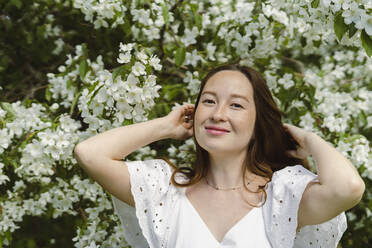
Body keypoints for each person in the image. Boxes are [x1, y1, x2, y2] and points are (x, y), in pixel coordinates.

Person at [74, 64, 365, 248]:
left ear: (257, 124)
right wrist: (165, 126)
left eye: (236, 106)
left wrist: (308, 139)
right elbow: (89, 153)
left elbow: (348, 188)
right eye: (209, 101)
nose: (218, 114)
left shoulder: (282, 195)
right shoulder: (165, 190)